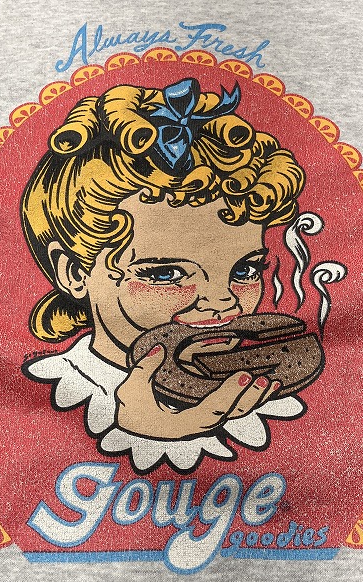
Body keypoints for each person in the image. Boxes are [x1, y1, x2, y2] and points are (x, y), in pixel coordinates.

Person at [21, 77, 310, 473]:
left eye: (245, 269)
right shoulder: (41, 401)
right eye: (168, 273)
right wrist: (143, 434)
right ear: (74, 271)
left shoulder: (269, 392)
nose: (223, 301)